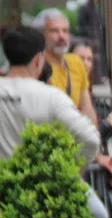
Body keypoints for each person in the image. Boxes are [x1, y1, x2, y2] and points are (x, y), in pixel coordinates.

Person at [0, 26, 99, 163]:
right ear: (38, 60)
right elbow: (91, 140)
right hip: (36, 174)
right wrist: (69, 167)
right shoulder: (52, 96)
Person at [32, 8, 96, 124]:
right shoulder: (35, 66)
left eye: (65, 31)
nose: (61, 36)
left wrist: (93, 133)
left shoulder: (76, 61)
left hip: (75, 131)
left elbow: (87, 110)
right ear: (41, 35)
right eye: (54, 31)